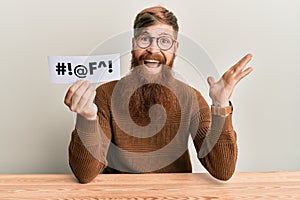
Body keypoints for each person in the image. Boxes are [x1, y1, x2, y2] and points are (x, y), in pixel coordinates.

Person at [64, 6, 253, 184]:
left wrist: (221, 105)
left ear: (175, 48)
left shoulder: (191, 98)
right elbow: (85, 174)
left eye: (164, 41)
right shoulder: (105, 95)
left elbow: (223, 170)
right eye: (144, 39)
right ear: (133, 44)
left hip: (174, 194)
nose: (153, 49)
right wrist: (86, 117)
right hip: (120, 193)